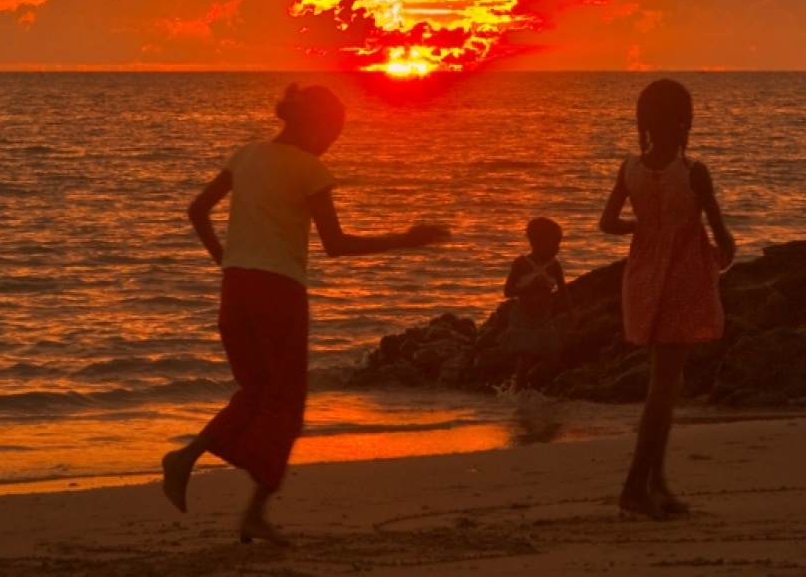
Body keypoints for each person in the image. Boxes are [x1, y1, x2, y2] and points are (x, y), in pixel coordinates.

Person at [164, 83, 450, 545]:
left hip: (235, 287)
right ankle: (252, 509)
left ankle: (189, 459)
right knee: (285, 404)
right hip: (278, 291)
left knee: (257, 393)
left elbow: (198, 210)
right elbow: (335, 245)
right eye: (333, 131)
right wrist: (405, 239)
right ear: (312, 123)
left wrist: (227, 259)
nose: (332, 140)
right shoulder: (310, 169)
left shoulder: (247, 154)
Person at [599, 79, 734, 520]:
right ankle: (636, 486)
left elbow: (608, 224)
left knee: (667, 383)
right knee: (663, 387)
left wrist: (644, 232)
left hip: (642, 275)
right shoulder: (694, 171)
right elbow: (722, 236)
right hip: (682, 277)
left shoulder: (629, 168)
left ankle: (657, 484)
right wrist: (719, 257)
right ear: (684, 120)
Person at [502, 217, 571, 391]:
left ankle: (534, 388)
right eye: (554, 243)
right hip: (523, 317)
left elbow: (563, 292)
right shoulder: (521, 264)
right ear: (536, 242)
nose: (557, 248)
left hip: (544, 319)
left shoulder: (555, 266)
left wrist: (570, 313)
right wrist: (529, 288)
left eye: (559, 243)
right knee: (524, 361)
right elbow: (508, 291)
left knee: (554, 358)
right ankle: (517, 394)